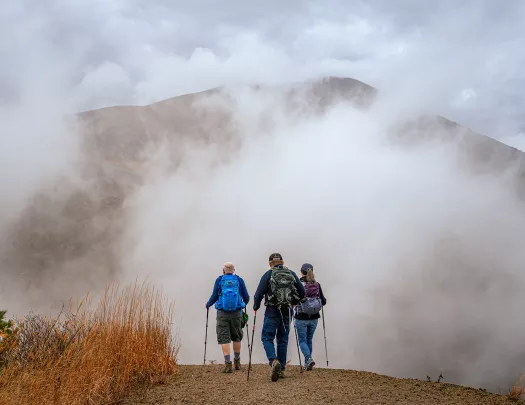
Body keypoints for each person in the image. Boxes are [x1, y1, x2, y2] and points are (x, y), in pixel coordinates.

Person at [253, 253, 306, 382]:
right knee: (282, 339)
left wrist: (256, 306)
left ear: (270, 263)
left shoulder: (268, 274)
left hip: (271, 311)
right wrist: (294, 302)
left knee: (267, 337)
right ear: (282, 262)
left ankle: (273, 360)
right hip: (287, 311)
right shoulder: (291, 274)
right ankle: (281, 369)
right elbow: (302, 292)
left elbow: (258, 293)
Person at [206, 262, 250, 373]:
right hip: (237, 313)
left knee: (224, 338)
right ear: (233, 270)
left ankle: (228, 364)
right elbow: (247, 297)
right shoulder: (239, 280)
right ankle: (237, 362)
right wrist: (242, 304)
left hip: (222, 314)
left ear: (223, 270)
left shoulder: (220, 280)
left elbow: (214, 296)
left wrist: (208, 304)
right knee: (236, 337)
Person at [293, 263, 327, 371]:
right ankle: (307, 363)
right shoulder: (317, 284)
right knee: (309, 339)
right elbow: (324, 301)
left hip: (301, 317)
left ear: (301, 272)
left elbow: (293, 300)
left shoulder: (298, 284)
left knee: (302, 341)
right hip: (314, 317)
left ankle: (308, 359)